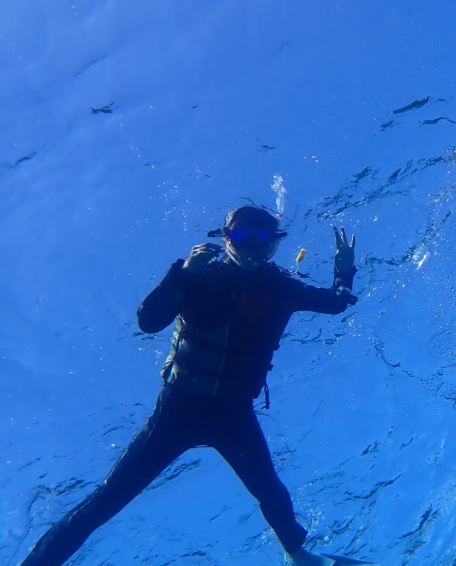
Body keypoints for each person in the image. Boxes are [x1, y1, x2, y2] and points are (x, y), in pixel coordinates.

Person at [22, 205, 369, 566]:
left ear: (274, 245)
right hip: (179, 409)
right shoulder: (200, 278)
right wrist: (181, 275)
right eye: (240, 236)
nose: (251, 247)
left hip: (233, 414)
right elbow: (149, 321)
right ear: (225, 239)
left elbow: (335, 304)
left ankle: (298, 557)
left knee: (271, 492)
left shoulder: (279, 287)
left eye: (261, 238)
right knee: (109, 497)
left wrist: (344, 270)